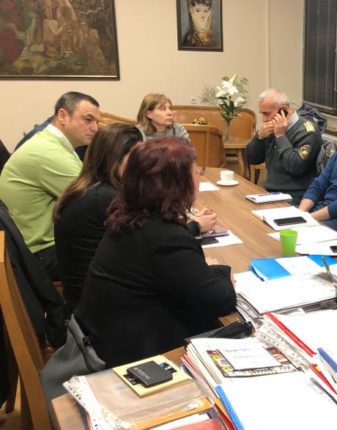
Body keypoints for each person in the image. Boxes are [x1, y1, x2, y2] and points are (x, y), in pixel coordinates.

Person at [73, 137, 236, 367]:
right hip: (138, 358)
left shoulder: (128, 215)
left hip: (105, 337)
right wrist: (217, 269)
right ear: (179, 184)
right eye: (196, 172)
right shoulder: (166, 238)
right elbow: (222, 301)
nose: (198, 177)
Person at [0, 91, 100, 280]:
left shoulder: (54, 144)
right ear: (63, 116)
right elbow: (95, 201)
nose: (95, 128)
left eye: (97, 122)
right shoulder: (48, 152)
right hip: (38, 255)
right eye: (88, 120)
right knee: (121, 257)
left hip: (33, 247)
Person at [53, 124, 141, 312]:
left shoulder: (88, 188)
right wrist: (193, 227)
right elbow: (149, 243)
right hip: (99, 309)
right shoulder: (107, 198)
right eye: (135, 159)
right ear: (114, 159)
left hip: (82, 298)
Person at [245, 88, 322, 205]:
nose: (264, 119)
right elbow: (252, 159)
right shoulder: (272, 127)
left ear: (284, 110)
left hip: (295, 197)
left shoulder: (307, 131)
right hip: (270, 193)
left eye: (267, 113)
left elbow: (295, 167)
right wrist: (259, 137)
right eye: (262, 114)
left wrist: (280, 136)